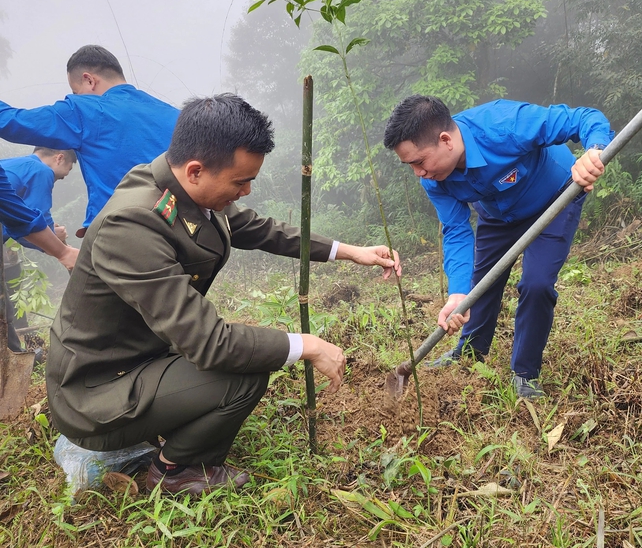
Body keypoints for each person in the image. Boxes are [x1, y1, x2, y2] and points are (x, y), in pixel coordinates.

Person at [46, 93, 402, 495]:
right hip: (94, 391)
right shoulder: (130, 226)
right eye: (240, 181)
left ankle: (165, 425)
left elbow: (259, 228)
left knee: (247, 352)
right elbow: (211, 344)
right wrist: (307, 345)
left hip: (139, 355)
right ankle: (175, 470)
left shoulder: (179, 185)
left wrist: (350, 252)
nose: (247, 191)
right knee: (241, 376)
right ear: (197, 170)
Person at [383, 95, 611, 399]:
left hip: (554, 199)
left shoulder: (505, 125)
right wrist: (457, 294)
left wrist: (593, 152)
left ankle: (525, 373)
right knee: (480, 284)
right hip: (498, 213)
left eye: (419, 162)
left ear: (445, 140)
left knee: (537, 284)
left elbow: (584, 117)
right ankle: (471, 350)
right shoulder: (434, 180)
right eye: (409, 165)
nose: (418, 173)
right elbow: (456, 231)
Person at [0, 45, 179, 235]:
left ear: (89, 80)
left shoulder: (86, 110)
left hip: (123, 233)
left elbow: (12, 122)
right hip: (181, 235)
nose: (76, 97)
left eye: (76, 91)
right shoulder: (178, 116)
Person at [1, 147, 77, 352]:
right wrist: (57, 241)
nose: (62, 177)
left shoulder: (16, 165)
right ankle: (18, 355)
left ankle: (19, 354)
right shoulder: (40, 170)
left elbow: (20, 221)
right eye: (67, 171)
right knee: (5, 310)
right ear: (59, 158)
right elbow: (29, 222)